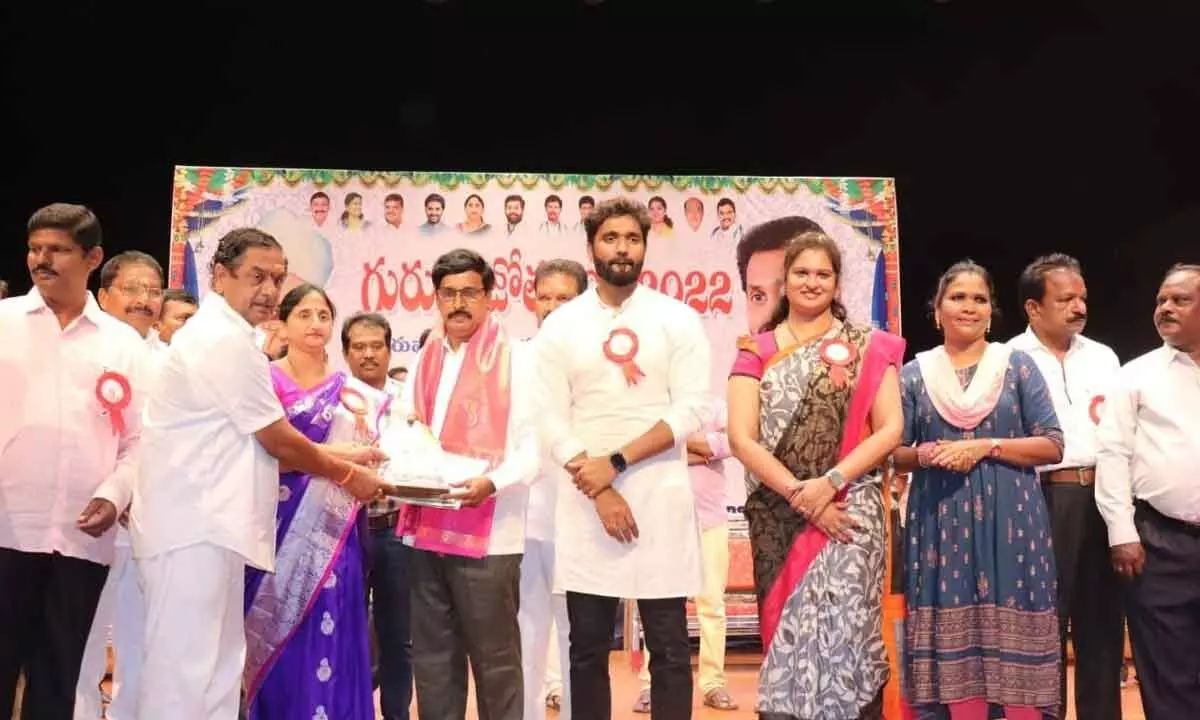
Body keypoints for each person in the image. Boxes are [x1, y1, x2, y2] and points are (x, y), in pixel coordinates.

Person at [129, 228, 392, 719]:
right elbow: (275, 437)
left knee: (218, 678)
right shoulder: (217, 340)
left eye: (276, 277)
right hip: (191, 531)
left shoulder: (237, 340)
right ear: (221, 276)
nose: (269, 289)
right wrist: (346, 473)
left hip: (217, 530)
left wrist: (349, 456)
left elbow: (267, 445)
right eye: (256, 277)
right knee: (183, 677)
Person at [535, 198, 711, 720]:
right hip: (587, 503)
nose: (622, 248)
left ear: (645, 246)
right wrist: (602, 486)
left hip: (660, 499)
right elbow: (548, 417)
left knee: (672, 652)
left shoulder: (676, 318)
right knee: (587, 651)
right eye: (611, 238)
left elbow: (692, 408)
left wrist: (616, 461)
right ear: (591, 247)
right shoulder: (562, 325)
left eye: (632, 238)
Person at [727, 232, 906, 719]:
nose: (812, 282)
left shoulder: (870, 347)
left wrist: (830, 483)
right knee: (788, 629)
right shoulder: (755, 350)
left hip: (851, 514)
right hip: (781, 515)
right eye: (801, 272)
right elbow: (742, 439)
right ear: (785, 281)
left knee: (850, 628)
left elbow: (891, 429)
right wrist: (800, 494)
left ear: (837, 282)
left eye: (822, 273)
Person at [893, 260, 1065, 720]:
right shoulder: (915, 374)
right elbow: (892, 452)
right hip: (939, 524)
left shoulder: (1016, 366)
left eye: (979, 299)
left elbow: (1052, 444)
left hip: (1014, 522)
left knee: (1016, 662)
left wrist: (985, 446)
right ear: (937, 310)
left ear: (991, 311)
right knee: (943, 665)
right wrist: (933, 454)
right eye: (957, 297)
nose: (968, 307)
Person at [0, 203, 147, 718]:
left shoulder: (124, 343)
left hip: (82, 537)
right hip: (6, 528)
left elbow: (140, 441)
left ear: (92, 258)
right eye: (35, 249)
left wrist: (114, 494)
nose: (42, 260)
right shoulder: (3, 325)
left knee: (58, 679)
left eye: (58, 250)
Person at [399, 248, 538, 720]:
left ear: (489, 296)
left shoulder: (518, 359)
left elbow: (534, 448)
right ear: (436, 297)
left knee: (495, 662)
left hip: (490, 534)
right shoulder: (424, 359)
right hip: (424, 529)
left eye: (469, 293)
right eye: (448, 293)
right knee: (433, 660)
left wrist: (490, 483)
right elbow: (407, 427)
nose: (458, 303)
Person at [242, 285, 385, 719]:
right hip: (276, 525)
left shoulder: (353, 394)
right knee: (274, 639)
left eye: (323, 315)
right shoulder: (264, 382)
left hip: (335, 532)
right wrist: (344, 459)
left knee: (333, 626)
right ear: (283, 324)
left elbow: (374, 458)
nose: (315, 323)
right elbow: (269, 454)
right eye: (303, 314)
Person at [1007, 253, 1124, 720]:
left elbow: (1120, 435)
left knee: (1102, 626)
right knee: (1043, 626)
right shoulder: (1008, 359)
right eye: (1065, 299)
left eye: (1082, 298)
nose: (1078, 307)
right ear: (1034, 308)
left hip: (1102, 496)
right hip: (1039, 499)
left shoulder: (1104, 357)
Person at [1095, 263, 1200, 719]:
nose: (1166, 309)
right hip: (1161, 541)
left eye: (1180, 300)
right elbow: (1113, 453)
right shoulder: (1135, 375)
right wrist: (1122, 532)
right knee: (1168, 672)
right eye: (1161, 300)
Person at [76, 251, 170, 720]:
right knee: (83, 639)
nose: (144, 300)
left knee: (142, 641)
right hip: (88, 519)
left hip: (151, 524)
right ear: (104, 294)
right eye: (132, 289)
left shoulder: (173, 361)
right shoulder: (85, 349)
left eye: (153, 291)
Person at [634, 395, 739, 714]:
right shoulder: (653, 406)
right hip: (662, 521)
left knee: (711, 605)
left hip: (709, 520)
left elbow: (729, 444)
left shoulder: (715, 406)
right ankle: (650, 685)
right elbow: (645, 451)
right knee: (659, 605)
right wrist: (699, 450)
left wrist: (676, 445)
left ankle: (713, 683)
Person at [519, 259, 588, 720]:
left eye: (564, 298)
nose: (553, 307)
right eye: (545, 297)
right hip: (523, 514)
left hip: (580, 514)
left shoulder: (598, 360)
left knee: (577, 633)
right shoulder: (516, 357)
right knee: (525, 629)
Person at [342, 311, 413, 720]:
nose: (368, 354)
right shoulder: (334, 398)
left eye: (376, 346)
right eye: (359, 347)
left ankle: (396, 714)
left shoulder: (408, 400)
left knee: (398, 637)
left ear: (389, 349)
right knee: (347, 631)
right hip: (345, 530)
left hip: (397, 530)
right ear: (347, 353)